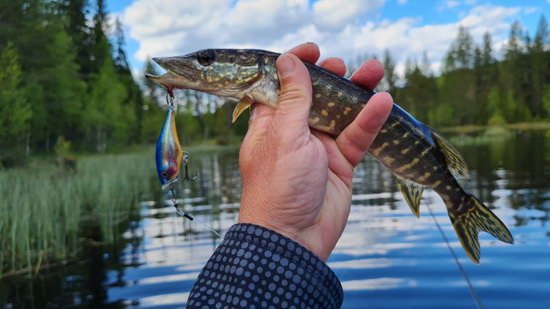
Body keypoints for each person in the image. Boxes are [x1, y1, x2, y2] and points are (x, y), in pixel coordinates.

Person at [187, 42, 393, 308]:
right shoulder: (262, 89)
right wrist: (286, 232)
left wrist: (282, 235)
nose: (201, 64)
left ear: (251, 66)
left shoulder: (275, 76)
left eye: (205, 60)